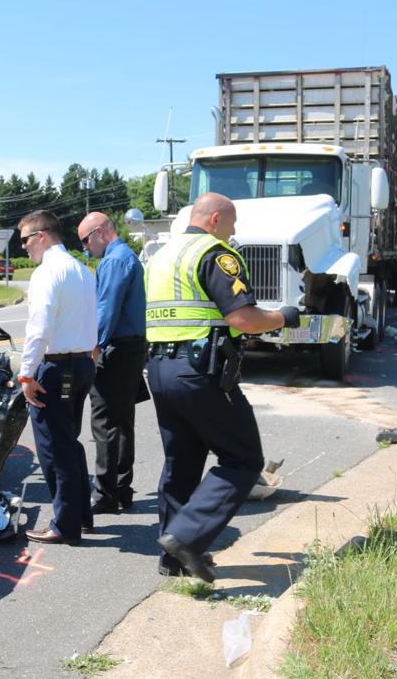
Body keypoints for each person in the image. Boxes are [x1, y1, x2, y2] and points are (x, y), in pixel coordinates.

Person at [144, 192, 300, 582]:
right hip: (199, 372)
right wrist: (284, 316)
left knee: (181, 462)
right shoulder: (215, 253)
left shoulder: (162, 255)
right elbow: (244, 318)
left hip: (160, 370)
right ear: (215, 218)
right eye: (232, 223)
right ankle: (186, 539)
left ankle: (174, 559)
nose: (234, 232)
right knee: (243, 460)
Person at [17, 210, 98, 544]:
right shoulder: (82, 270)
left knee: (54, 448)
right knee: (69, 442)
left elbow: (39, 327)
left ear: (41, 236)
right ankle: (80, 515)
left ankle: (65, 525)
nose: (22, 247)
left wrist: (25, 374)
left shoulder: (47, 272)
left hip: (56, 366)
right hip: (82, 365)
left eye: (24, 240)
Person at [77, 211, 146, 516]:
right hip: (130, 347)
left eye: (85, 241)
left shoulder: (115, 260)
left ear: (100, 231)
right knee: (122, 419)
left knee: (105, 421)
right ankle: (121, 488)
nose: (84, 248)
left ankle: (106, 493)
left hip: (118, 348)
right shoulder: (123, 256)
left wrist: (95, 346)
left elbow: (106, 309)